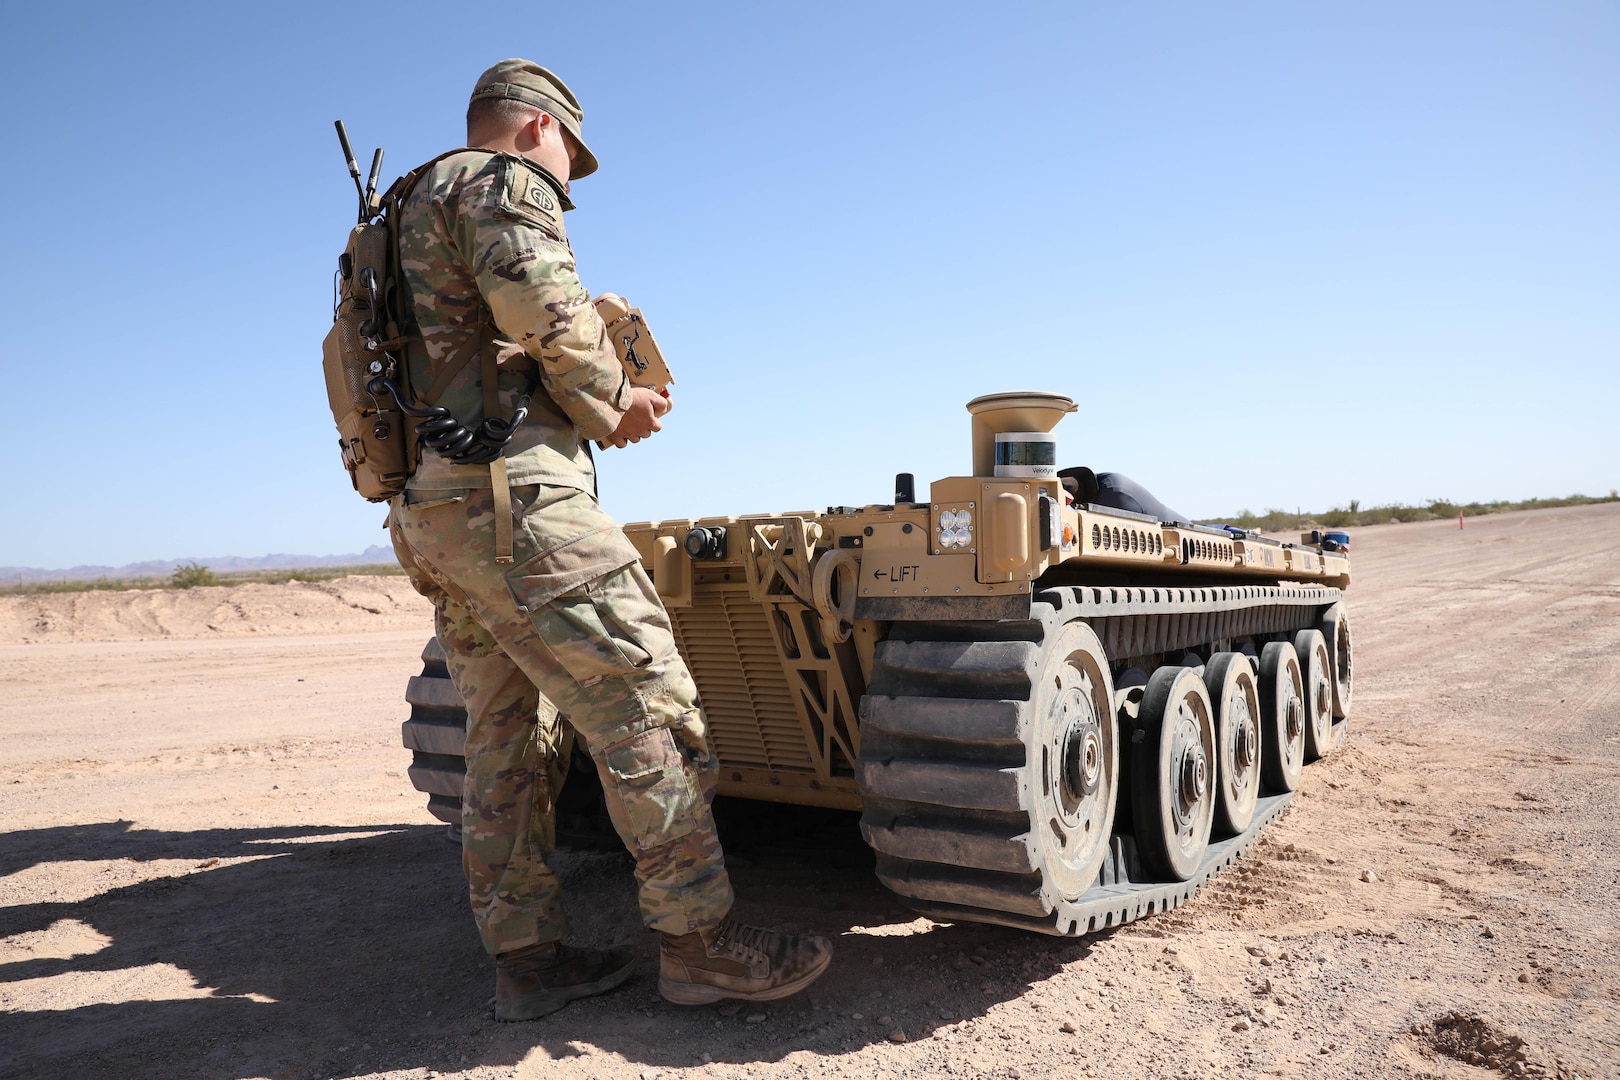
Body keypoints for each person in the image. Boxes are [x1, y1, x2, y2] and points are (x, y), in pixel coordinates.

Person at [386, 58, 832, 1022]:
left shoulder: (391, 216)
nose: (564, 186)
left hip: (429, 511)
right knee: (648, 705)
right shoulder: (499, 181)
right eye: (568, 163)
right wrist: (612, 400)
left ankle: (527, 960)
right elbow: (541, 302)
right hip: (519, 504)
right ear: (541, 128)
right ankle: (701, 945)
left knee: (507, 735)